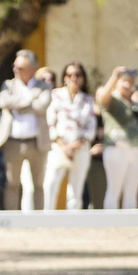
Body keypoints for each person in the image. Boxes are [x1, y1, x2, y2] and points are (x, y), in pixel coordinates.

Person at [0, 49, 53, 211]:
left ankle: (38, 220)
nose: (16, 70)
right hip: (13, 142)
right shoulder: (8, 84)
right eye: (15, 67)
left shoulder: (43, 86)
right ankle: (12, 220)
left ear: (32, 68)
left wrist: (17, 105)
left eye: (20, 68)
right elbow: (3, 101)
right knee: (12, 184)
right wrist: (29, 101)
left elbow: (43, 105)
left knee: (38, 185)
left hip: (37, 142)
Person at [43, 62, 96, 211]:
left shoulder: (87, 99)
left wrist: (75, 146)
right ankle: (47, 219)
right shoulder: (56, 95)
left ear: (83, 78)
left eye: (77, 75)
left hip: (80, 148)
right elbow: (50, 123)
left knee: (75, 189)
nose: (73, 78)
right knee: (50, 184)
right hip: (59, 147)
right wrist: (64, 146)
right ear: (65, 77)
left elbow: (91, 126)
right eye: (70, 74)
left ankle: (73, 222)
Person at [96, 66, 138, 209]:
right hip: (117, 148)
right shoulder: (114, 99)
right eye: (124, 80)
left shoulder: (135, 103)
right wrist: (114, 77)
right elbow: (102, 98)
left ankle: (130, 226)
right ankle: (111, 225)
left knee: (131, 192)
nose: (127, 84)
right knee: (114, 190)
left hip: (136, 149)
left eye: (130, 81)